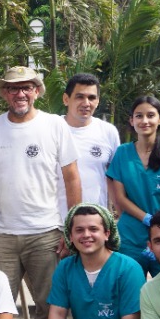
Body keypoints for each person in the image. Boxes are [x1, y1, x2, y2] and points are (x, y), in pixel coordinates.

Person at [0, 66, 81, 319]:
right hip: (4, 233)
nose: (19, 94)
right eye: (12, 89)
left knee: (51, 308)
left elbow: (71, 179)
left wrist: (72, 229)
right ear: (4, 93)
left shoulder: (54, 125)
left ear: (37, 90)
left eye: (26, 88)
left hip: (46, 232)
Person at [107, 95, 160, 277]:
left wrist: (157, 227)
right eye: (139, 116)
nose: (144, 121)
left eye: (150, 115)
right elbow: (120, 198)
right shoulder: (122, 153)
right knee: (130, 292)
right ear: (131, 120)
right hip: (130, 236)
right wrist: (146, 218)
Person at [58, 72, 120, 213]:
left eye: (91, 98)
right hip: (54, 224)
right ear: (66, 99)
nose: (86, 103)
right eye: (80, 97)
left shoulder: (108, 132)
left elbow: (116, 180)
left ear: (98, 101)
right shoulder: (51, 129)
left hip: (94, 222)